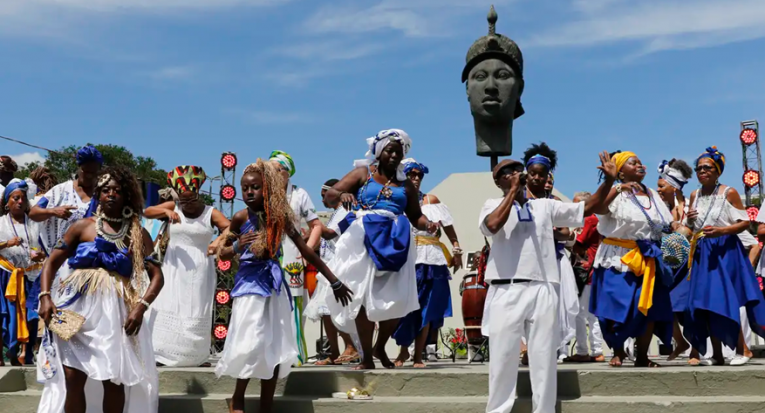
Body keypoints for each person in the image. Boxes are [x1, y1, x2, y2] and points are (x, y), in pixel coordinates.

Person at [480, 154, 615, 413]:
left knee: (543, 358)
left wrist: (608, 182)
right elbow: (493, 226)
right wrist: (513, 194)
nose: (517, 175)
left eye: (519, 171)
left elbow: (588, 208)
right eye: (508, 173)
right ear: (498, 181)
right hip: (505, 289)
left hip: (543, 287)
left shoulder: (544, 206)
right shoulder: (491, 204)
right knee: (502, 359)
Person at [214, 160, 352, 413]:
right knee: (248, 343)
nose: (249, 193)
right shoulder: (239, 217)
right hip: (248, 287)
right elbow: (221, 254)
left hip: (274, 286)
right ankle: (238, 398)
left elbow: (307, 252)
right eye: (245, 188)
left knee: (274, 345)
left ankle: (267, 402)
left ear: (267, 190)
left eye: (255, 187)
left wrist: (334, 280)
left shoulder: (280, 218)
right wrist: (236, 246)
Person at [36, 166, 164, 413]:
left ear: (127, 195)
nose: (111, 195)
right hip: (77, 311)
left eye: (117, 190)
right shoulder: (81, 227)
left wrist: (141, 307)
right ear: (98, 194)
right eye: (106, 190)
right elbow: (51, 263)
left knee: (113, 381)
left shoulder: (138, 233)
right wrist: (45, 297)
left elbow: (157, 276)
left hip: (114, 315)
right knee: (73, 380)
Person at [323, 129, 438, 370]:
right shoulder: (363, 173)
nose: (395, 155)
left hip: (396, 239)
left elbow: (415, 216)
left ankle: (381, 346)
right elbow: (330, 196)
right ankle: (366, 356)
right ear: (378, 151)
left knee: (396, 299)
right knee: (362, 296)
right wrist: (343, 193)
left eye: (399, 151)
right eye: (390, 150)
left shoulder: (405, 185)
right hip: (363, 237)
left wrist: (428, 224)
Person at [589, 151, 676, 368]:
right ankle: (617, 351)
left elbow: (665, 223)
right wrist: (616, 186)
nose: (640, 165)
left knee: (646, 307)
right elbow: (598, 208)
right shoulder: (613, 191)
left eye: (640, 161)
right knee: (614, 305)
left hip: (648, 256)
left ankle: (643, 355)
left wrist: (677, 230)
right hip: (618, 257)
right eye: (632, 162)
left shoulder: (653, 194)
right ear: (620, 171)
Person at [682, 147, 765, 366]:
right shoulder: (694, 195)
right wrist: (690, 221)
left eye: (707, 167)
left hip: (725, 249)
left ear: (717, 171)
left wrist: (721, 231)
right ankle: (716, 354)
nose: (702, 171)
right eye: (699, 168)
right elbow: (691, 228)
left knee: (725, 299)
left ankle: (744, 349)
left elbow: (745, 223)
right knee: (706, 302)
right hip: (702, 250)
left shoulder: (729, 192)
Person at [145, 165, 230, 367]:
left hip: (201, 267)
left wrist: (217, 243)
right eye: (184, 200)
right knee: (170, 304)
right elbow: (147, 211)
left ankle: (196, 356)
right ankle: (163, 354)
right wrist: (166, 210)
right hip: (174, 266)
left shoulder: (210, 212)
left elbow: (229, 227)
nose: (188, 204)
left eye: (191, 199)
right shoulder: (174, 207)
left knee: (197, 307)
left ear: (199, 194)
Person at [392, 158, 463, 368]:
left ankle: (418, 355)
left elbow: (448, 225)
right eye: (411, 174)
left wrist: (456, 248)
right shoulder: (396, 200)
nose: (415, 179)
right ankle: (403, 349)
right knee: (404, 306)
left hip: (431, 259)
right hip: (406, 259)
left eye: (419, 175)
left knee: (426, 306)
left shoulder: (430, 201)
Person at [522, 143, 579, 363]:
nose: (540, 179)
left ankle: (552, 348)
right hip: (526, 261)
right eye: (534, 174)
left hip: (553, 259)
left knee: (553, 306)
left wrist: (547, 229)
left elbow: (564, 232)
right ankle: (528, 349)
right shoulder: (519, 200)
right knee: (527, 307)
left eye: (544, 175)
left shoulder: (554, 203)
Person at [269, 150, 322, 366]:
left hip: (293, 257)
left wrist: (306, 253)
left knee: (294, 306)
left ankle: (296, 356)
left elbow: (316, 226)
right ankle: (270, 356)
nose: (270, 173)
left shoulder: (299, 194)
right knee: (268, 304)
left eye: (275, 169)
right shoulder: (263, 192)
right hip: (268, 256)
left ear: (286, 173)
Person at [305, 179, 360, 365]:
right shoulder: (336, 213)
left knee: (333, 309)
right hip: (327, 267)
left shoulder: (348, 209)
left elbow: (332, 234)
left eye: (324, 195)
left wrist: (315, 229)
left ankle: (351, 347)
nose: (322, 200)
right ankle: (335, 353)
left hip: (339, 267)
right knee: (325, 311)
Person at [0, 179, 44, 366]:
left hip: (30, 275)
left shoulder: (35, 224)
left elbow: (45, 249)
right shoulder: (1, 223)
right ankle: (3, 354)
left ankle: (25, 354)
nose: (19, 202)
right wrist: (7, 244)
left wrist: (40, 255)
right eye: (15, 198)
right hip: (6, 274)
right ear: (6, 203)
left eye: (23, 199)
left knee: (30, 315)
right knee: (5, 315)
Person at [30, 146, 102, 255]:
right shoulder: (60, 191)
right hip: (60, 262)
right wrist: (53, 211)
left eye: (93, 172)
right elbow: (33, 213)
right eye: (85, 171)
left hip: (90, 261)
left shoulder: (101, 195)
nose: (89, 176)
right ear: (78, 168)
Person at [567, 191, 604, 363]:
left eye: (576, 204)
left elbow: (578, 244)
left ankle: (590, 351)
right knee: (585, 314)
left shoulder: (590, 220)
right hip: (585, 271)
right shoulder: (586, 220)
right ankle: (592, 350)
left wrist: (561, 237)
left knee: (583, 313)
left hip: (587, 272)